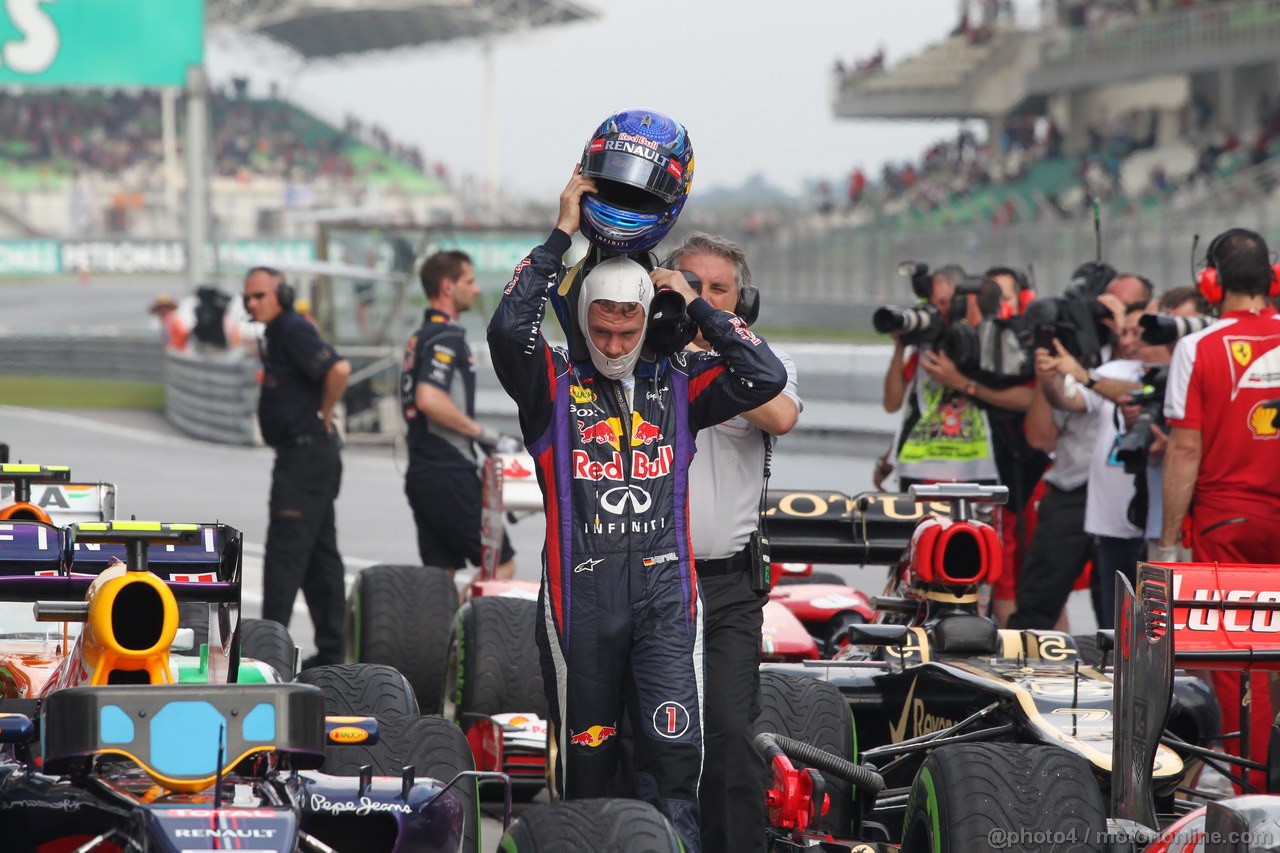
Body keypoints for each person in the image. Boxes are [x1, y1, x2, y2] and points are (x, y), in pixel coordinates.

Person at [487, 168, 787, 853]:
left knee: (676, 765)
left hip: (667, 608)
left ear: (647, 320)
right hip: (579, 610)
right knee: (588, 772)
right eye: (604, 328)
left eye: (629, 329)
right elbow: (508, 330)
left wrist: (698, 305)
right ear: (584, 317)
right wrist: (561, 233)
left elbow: (764, 376)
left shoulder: (681, 381)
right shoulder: (551, 385)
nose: (617, 344)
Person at [670, 232, 801, 853]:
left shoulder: (765, 366)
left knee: (728, 728)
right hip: (651, 581)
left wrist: (709, 326)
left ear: (741, 300)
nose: (703, 298)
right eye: (689, 285)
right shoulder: (641, 362)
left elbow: (779, 415)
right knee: (653, 730)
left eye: (717, 290)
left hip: (728, 587)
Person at [1159, 228, 1280, 789]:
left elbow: (1185, 447)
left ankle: (1253, 789)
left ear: (1211, 282)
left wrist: (1165, 541)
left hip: (1225, 521)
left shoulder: (1198, 347)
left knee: (1237, 660)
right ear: (1271, 280)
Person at [243, 266, 351, 669]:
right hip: (307, 458)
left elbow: (338, 369)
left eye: (260, 296)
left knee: (284, 556)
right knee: (321, 557)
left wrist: (324, 411)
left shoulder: (291, 328)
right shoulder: (276, 332)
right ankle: (330, 654)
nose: (253, 303)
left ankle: (266, 656)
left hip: (305, 459)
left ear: (282, 295)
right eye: (248, 298)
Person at [401, 249, 515, 579]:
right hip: (448, 471)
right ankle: (462, 632)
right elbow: (429, 399)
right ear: (448, 287)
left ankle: (439, 631)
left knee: (439, 579)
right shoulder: (445, 336)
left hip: (421, 471)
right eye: (470, 281)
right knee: (501, 566)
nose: (476, 289)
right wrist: (485, 435)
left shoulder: (419, 336)